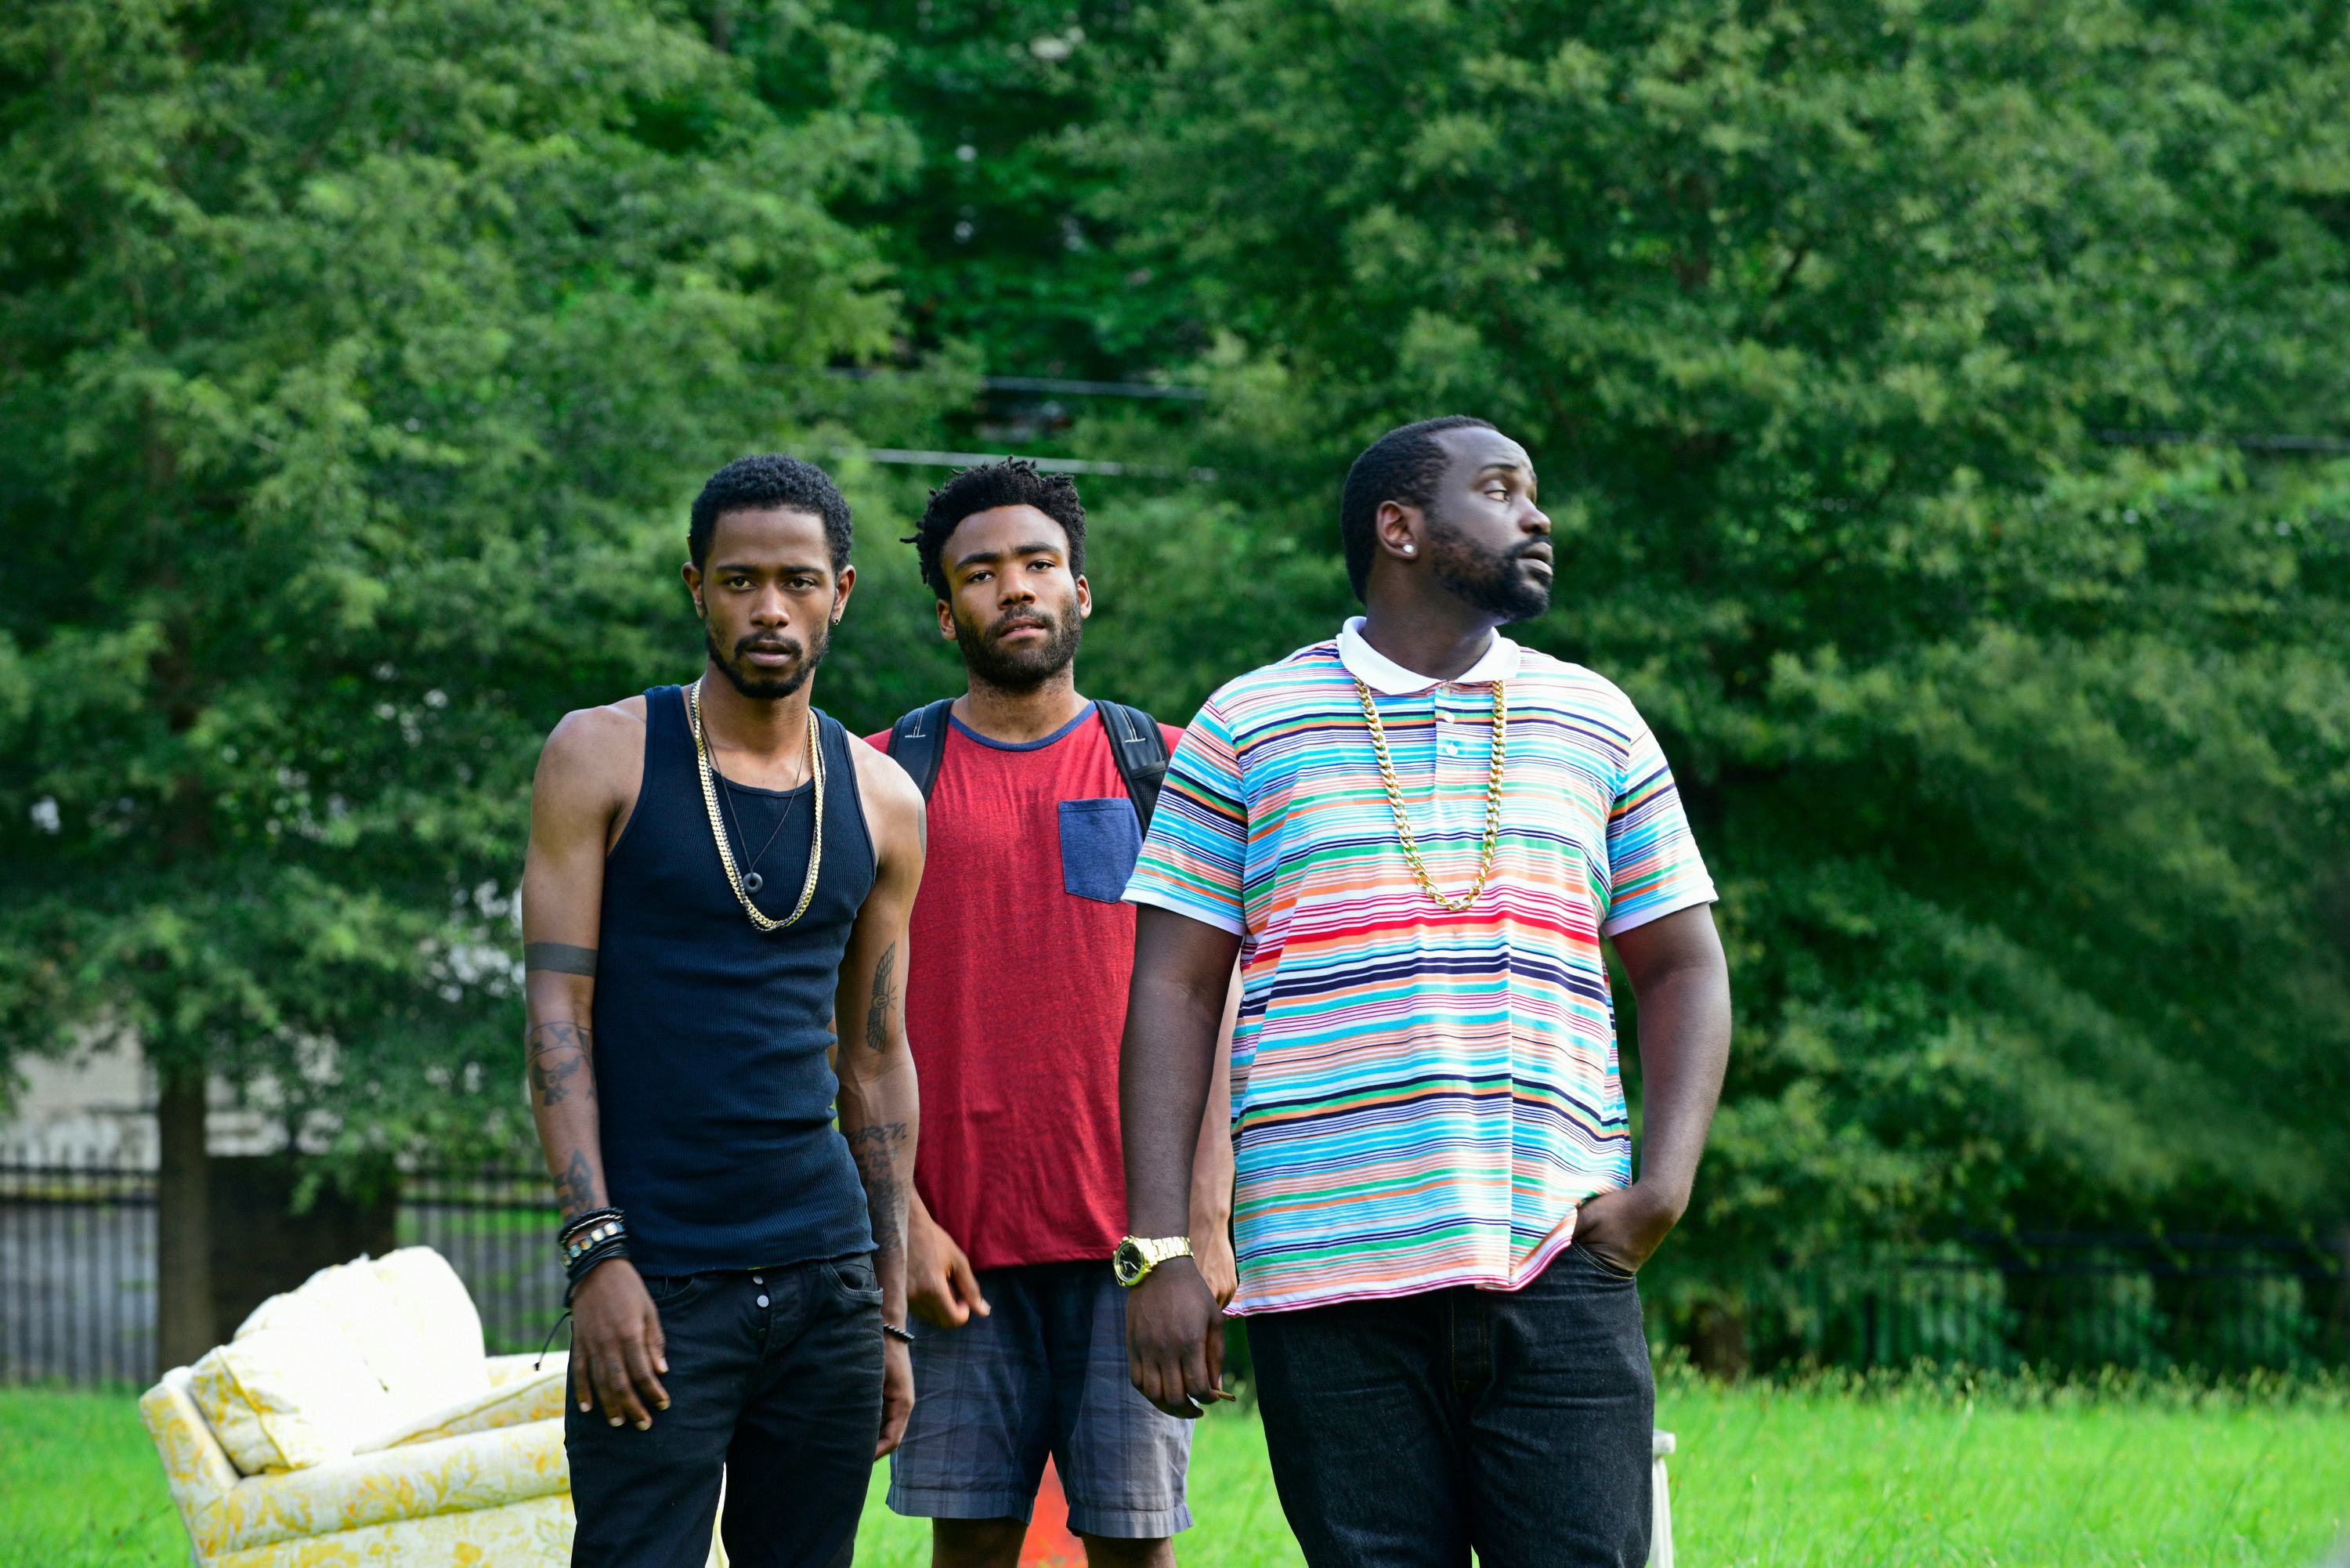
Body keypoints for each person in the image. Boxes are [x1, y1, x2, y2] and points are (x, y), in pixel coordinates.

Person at [1115, 417, 1734, 1568]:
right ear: (1398, 528)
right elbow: (1173, 991)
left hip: (1558, 1260)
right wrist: (1160, 1248)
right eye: (1501, 490)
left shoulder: (1596, 717)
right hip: (1325, 1277)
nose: (1537, 517)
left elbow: (1684, 963)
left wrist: (1665, 1187)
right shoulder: (1245, 724)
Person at [520, 453, 926, 1568]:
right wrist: (597, 1256)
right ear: (696, 587)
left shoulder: (885, 800)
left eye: (799, 581)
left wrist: (888, 1311)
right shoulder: (601, 755)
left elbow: (877, 1059)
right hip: (656, 1271)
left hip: (828, 1278)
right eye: (740, 580)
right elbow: (557, 1014)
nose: (769, 608)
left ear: (842, 593)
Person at [864, 458, 1238, 1568]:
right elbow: (847, 1028)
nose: (1015, 587)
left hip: (1136, 1247)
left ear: (1082, 588)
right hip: (957, 1254)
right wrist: (904, 1224)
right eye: (981, 573)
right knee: (971, 1546)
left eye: (1039, 563)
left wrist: (1204, 1216)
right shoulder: (884, 777)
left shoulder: (1166, 767)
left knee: (1135, 1544)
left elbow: (1221, 1006)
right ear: (947, 614)